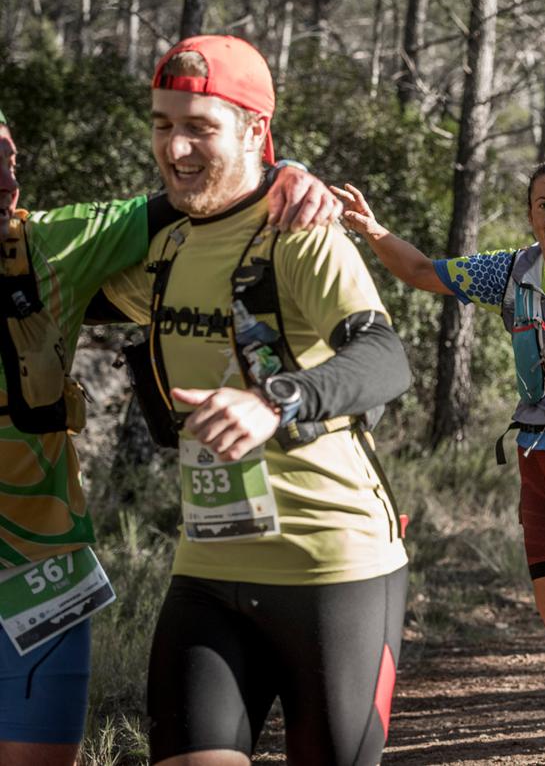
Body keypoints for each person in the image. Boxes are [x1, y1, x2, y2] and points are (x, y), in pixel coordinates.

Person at [98, 35, 411, 765]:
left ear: (254, 131)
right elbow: (55, 289)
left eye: (199, 127)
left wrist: (275, 399)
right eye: (161, 124)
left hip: (332, 568)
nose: (175, 148)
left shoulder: (299, 232)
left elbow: (385, 358)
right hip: (206, 565)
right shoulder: (161, 244)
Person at [0, 101, 333, 766]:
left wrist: (285, 172)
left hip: (41, 568)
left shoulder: (51, 242)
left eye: (8, 155)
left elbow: (198, 191)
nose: (8, 177)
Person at [335, 158, 545, 763]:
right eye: (543, 204)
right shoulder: (509, 271)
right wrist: (372, 230)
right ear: (530, 214)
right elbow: (419, 272)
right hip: (542, 455)